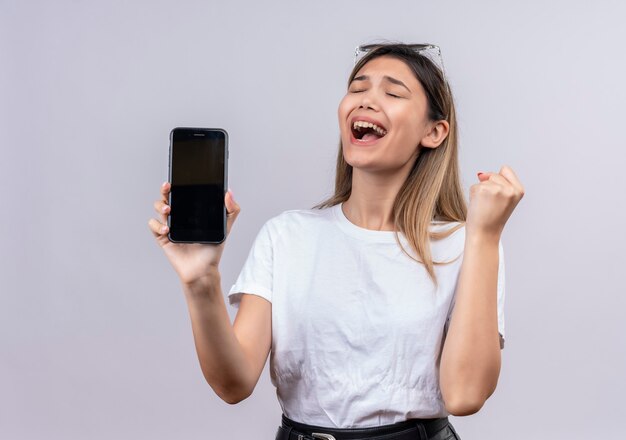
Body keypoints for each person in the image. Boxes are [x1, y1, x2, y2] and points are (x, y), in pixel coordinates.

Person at [148, 42, 525, 440]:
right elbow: (233, 384)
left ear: (434, 132)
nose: (366, 100)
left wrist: (483, 235)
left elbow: (465, 395)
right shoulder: (287, 236)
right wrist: (200, 282)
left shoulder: (463, 245)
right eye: (358, 88)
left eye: (392, 92)